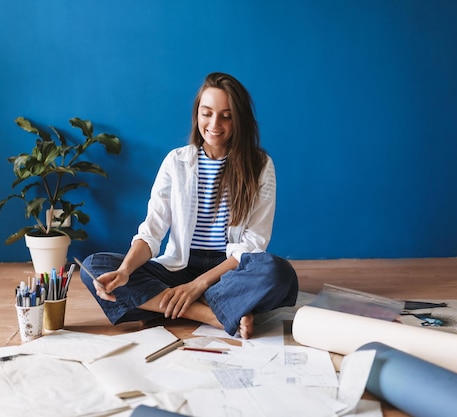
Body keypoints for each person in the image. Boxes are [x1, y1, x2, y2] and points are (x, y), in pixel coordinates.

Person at [80, 72, 298, 339]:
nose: (214, 124)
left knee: (278, 273)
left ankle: (169, 303)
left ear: (239, 119)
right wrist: (125, 272)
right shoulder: (176, 161)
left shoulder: (261, 166)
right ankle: (212, 313)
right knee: (94, 266)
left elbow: (252, 245)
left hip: (227, 272)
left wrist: (198, 285)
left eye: (226, 116)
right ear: (197, 115)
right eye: (207, 113)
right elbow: (152, 229)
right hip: (177, 269)